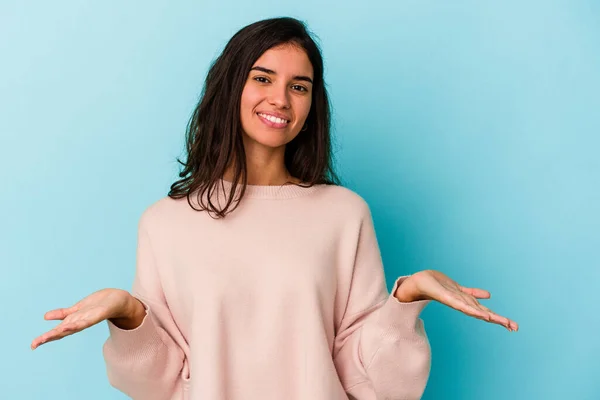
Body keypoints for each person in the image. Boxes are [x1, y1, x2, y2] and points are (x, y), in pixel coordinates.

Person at [30, 17, 518, 400]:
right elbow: (161, 384)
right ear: (231, 88)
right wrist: (130, 315)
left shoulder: (343, 215)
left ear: (311, 107)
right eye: (262, 78)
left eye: (299, 86)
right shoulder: (165, 223)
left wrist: (406, 298)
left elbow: (368, 378)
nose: (280, 99)